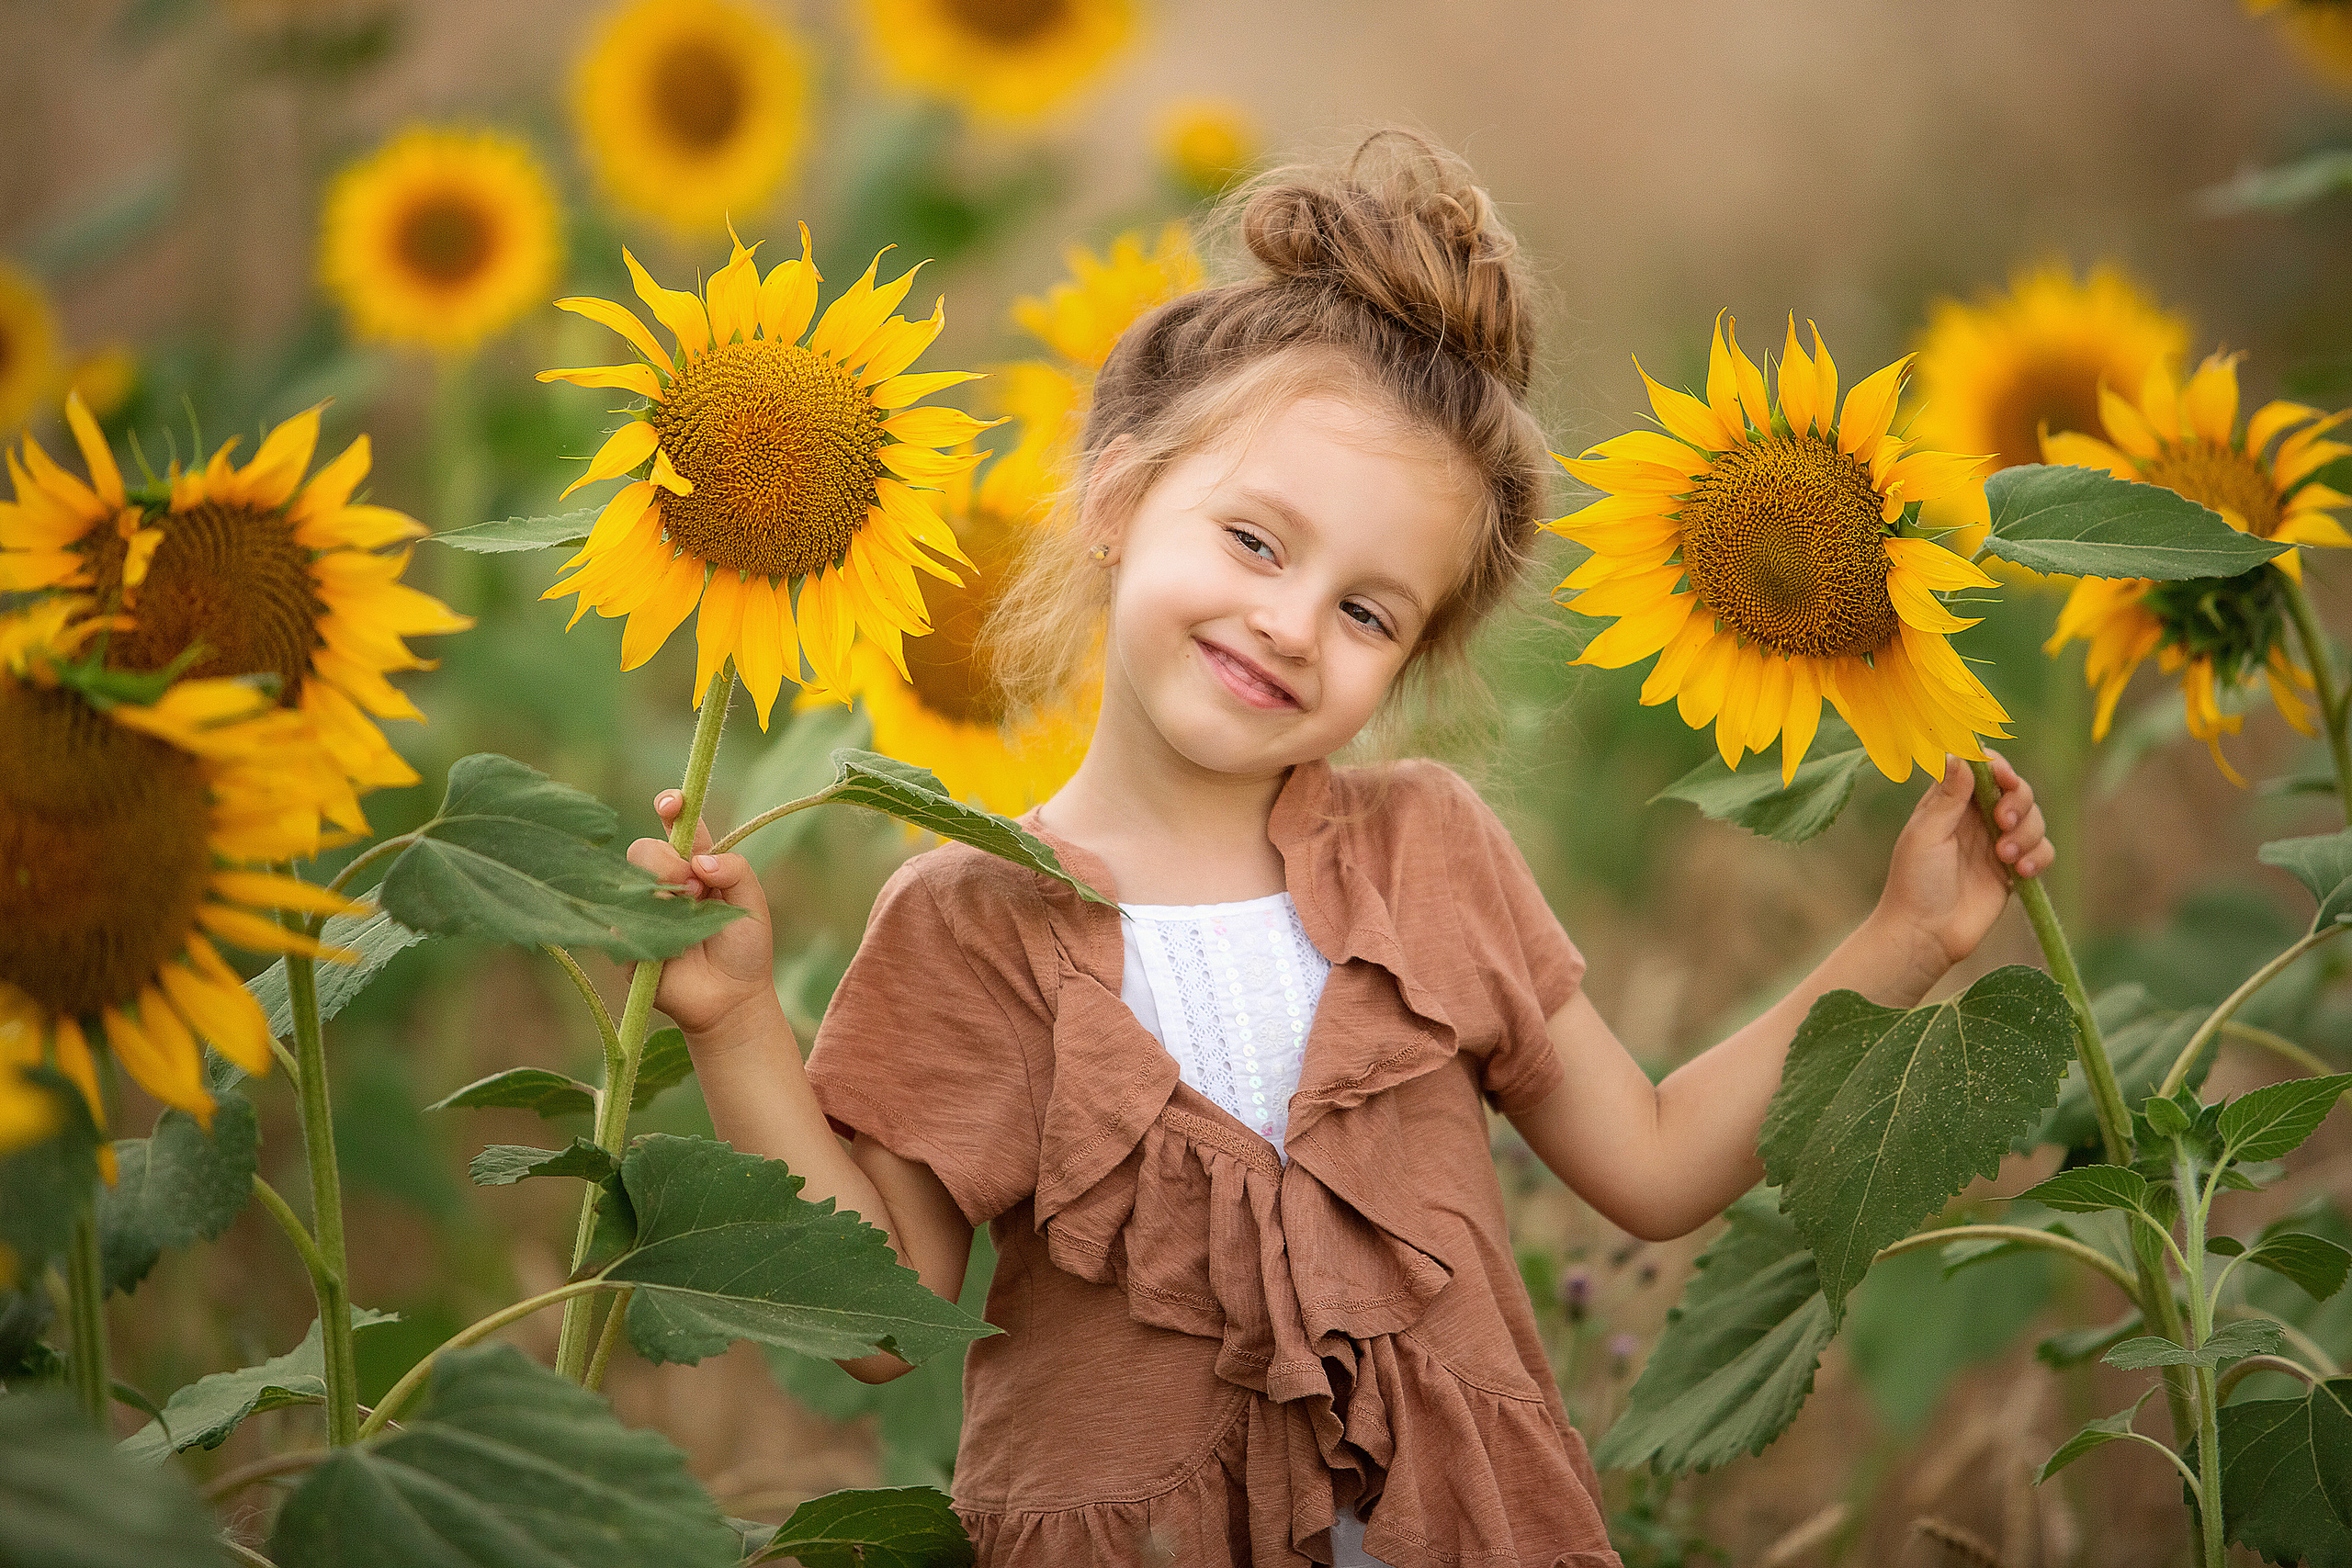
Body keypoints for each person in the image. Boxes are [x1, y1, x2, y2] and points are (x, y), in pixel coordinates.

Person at [628, 130, 2052, 1568]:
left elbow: (1663, 1161)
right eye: (1256, 542)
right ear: (1120, 501)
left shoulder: (1428, 851)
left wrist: (1906, 938)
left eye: (1370, 612)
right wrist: (739, 1020)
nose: (1294, 624)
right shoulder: (971, 918)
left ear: (1412, 659)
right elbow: (879, 1319)